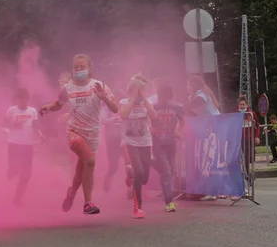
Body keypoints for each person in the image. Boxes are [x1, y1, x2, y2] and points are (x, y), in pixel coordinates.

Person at [39, 54, 118, 215]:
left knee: (80, 172)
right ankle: (88, 203)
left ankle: (71, 193)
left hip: (93, 135)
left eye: (82, 67)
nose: (79, 70)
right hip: (74, 132)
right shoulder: (68, 88)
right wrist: (48, 107)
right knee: (90, 160)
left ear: (89, 69)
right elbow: (58, 103)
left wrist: (105, 98)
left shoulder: (99, 86)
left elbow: (115, 109)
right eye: (76, 67)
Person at [119, 74, 157, 219]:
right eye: (136, 90)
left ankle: (130, 172)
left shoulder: (147, 103)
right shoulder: (124, 101)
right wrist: (133, 98)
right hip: (130, 142)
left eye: (142, 90)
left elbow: (153, 116)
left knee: (145, 177)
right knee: (139, 172)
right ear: (130, 91)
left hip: (146, 141)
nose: (139, 93)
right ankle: (137, 208)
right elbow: (123, 115)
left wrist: (144, 98)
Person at [3, 88, 43, 206]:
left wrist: (40, 135)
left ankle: (17, 197)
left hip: (27, 145)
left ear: (28, 99)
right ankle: (10, 173)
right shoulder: (11, 111)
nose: (22, 101)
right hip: (14, 144)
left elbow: (35, 126)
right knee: (14, 169)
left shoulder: (32, 111)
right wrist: (12, 125)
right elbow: (3, 124)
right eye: (20, 99)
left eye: (25, 98)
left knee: (26, 175)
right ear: (16, 99)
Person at [151, 83, 184, 213]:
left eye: (166, 95)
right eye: (161, 95)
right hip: (158, 143)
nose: (163, 98)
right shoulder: (154, 107)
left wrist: (179, 131)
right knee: (166, 172)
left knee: (170, 171)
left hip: (171, 142)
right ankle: (169, 202)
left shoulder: (176, 107)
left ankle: (148, 161)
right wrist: (151, 128)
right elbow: (147, 120)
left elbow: (182, 121)